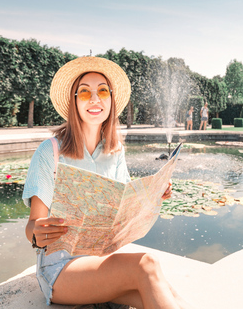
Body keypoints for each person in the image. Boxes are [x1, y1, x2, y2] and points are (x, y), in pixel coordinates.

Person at [23, 57, 191, 308]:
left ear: (111, 100)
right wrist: (37, 233)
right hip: (61, 268)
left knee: (169, 295)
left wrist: (152, 194)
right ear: (73, 101)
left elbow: (124, 203)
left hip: (101, 261)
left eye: (102, 91)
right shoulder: (51, 152)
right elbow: (32, 227)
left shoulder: (115, 151)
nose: (95, 99)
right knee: (146, 265)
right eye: (84, 92)